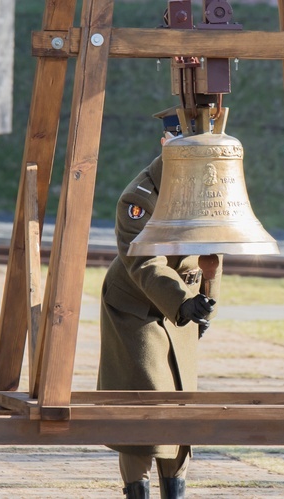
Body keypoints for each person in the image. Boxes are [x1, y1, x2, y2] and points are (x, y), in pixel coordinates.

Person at [97, 109, 222, 499]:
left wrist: (206, 300)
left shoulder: (208, 186)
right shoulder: (140, 197)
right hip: (135, 305)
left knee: (181, 404)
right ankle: (137, 489)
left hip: (182, 304)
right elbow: (142, 260)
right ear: (166, 146)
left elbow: (214, 249)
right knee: (143, 405)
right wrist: (184, 303)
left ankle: (176, 489)